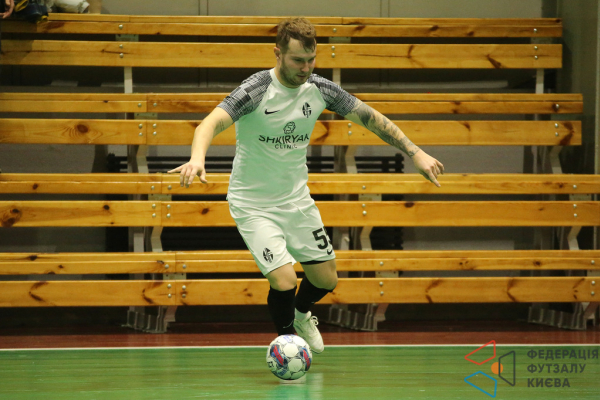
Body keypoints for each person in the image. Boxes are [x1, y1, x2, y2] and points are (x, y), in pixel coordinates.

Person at [169, 17, 444, 354]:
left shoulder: (319, 88)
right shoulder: (257, 89)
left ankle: (301, 315)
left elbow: (370, 117)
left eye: (311, 60)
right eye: (298, 60)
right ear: (278, 53)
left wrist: (415, 152)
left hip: (296, 201)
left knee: (326, 279)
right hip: (253, 204)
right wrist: (197, 158)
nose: (305, 68)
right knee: (285, 280)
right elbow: (209, 123)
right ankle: (289, 346)